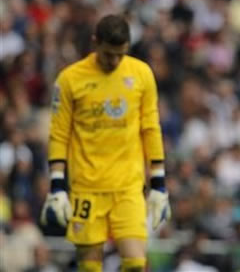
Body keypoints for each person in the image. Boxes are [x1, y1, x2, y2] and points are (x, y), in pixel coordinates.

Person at [40, 14, 171, 272]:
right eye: (108, 54)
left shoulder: (141, 74)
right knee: (89, 268)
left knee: (135, 263)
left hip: (128, 187)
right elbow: (59, 133)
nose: (114, 61)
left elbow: (151, 128)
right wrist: (57, 186)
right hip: (86, 188)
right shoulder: (69, 80)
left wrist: (158, 184)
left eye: (120, 54)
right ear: (95, 42)